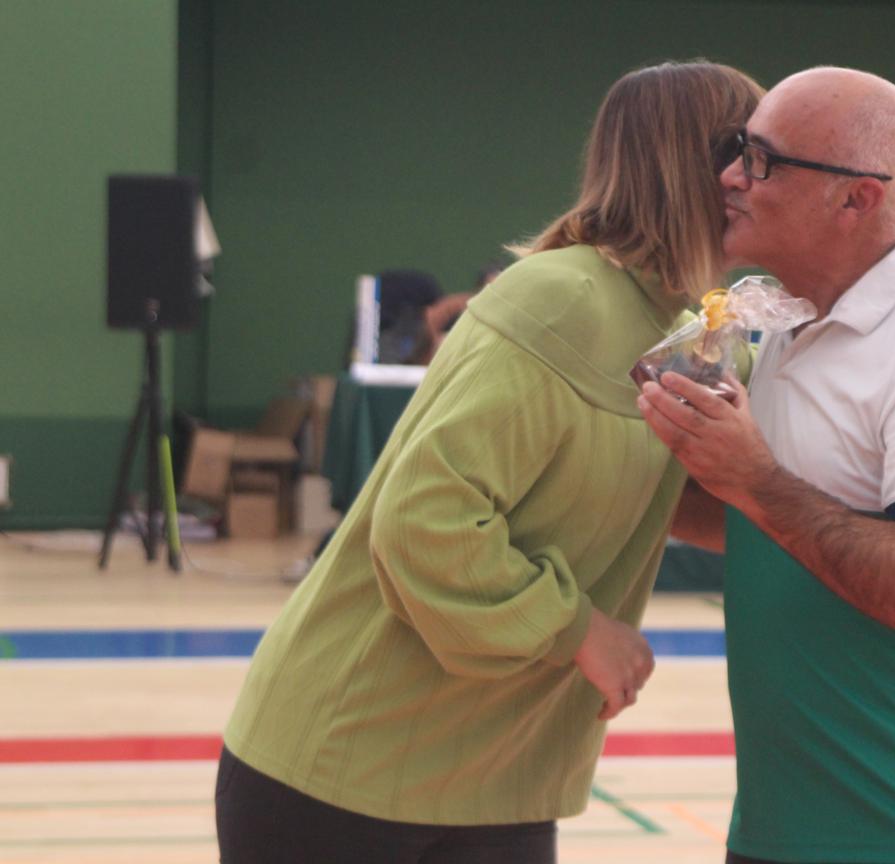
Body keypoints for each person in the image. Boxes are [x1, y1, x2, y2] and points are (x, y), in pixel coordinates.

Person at [216, 60, 762, 864]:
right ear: (699, 168)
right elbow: (426, 520)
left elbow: (696, 505)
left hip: (500, 776)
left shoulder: (700, 334)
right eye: (752, 153)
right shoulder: (561, 297)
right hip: (347, 763)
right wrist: (580, 629)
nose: (762, 178)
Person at [638, 67, 895, 864]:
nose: (730, 177)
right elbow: (766, 526)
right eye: (739, 152)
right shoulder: (783, 322)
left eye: (762, 161)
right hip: (777, 821)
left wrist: (752, 476)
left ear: (857, 198)